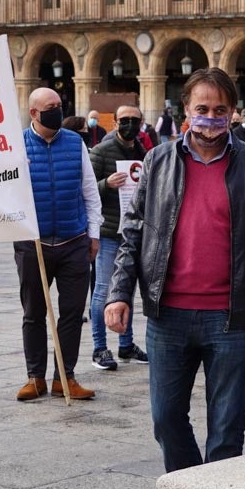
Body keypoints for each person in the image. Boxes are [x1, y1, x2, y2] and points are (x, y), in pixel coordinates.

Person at [104, 67, 245, 489]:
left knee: (227, 429)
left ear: (234, 113)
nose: (210, 119)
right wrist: (118, 293)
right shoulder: (158, 159)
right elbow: (134, 233)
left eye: (220, 110)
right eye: (201, 109)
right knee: (167, 418)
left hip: (231, 318)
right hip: (168, 316)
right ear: (184, 110)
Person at [15, 88, 102, 401]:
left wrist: (93, 234)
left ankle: (65, 376)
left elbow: (90, 191)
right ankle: (35, 377)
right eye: (50, 107)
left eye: (59, 105)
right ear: (34, 113)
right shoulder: (16, 145)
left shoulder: (74, 142)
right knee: (34, 312)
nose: (58, 110)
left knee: (71, 312)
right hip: (33, 243)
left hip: (73, 240)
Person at [88, 104, 149, 370]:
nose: (130, 125)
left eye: (134, 120)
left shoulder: (144, 153)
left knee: (128, 289)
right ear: (114, 122)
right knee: (103, 291)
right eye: (124, 120)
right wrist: (106, 184)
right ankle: (99, 348)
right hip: (109, 232)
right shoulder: (101, 151)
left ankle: (126, 345)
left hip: (135, 232)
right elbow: (86, 191)